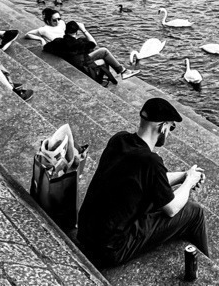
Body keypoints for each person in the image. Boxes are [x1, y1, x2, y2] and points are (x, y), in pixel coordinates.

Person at [78, 97, 209, 267]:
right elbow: (171, 209)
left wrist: (184, 175)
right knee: (194, 212)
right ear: (162, 127)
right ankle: (207, 268)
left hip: (87, 234)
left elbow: (151, 181)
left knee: (154, 201)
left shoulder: (119, 140)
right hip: (111, 249)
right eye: (171, 127)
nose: (169, 133)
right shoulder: (150, 161)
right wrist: (189, 182)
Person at [42, 20, 139, 84]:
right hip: (82, 65)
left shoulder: (58, 41)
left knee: (99, 52)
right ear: (76, 32)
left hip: (72, 61)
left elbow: (45, 47)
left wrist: (41, 40)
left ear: (65, 30)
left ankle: (119, 72)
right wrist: (84, 30)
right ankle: (122, 71)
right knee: (104, 52)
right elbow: (93, 43)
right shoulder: (79, 44)